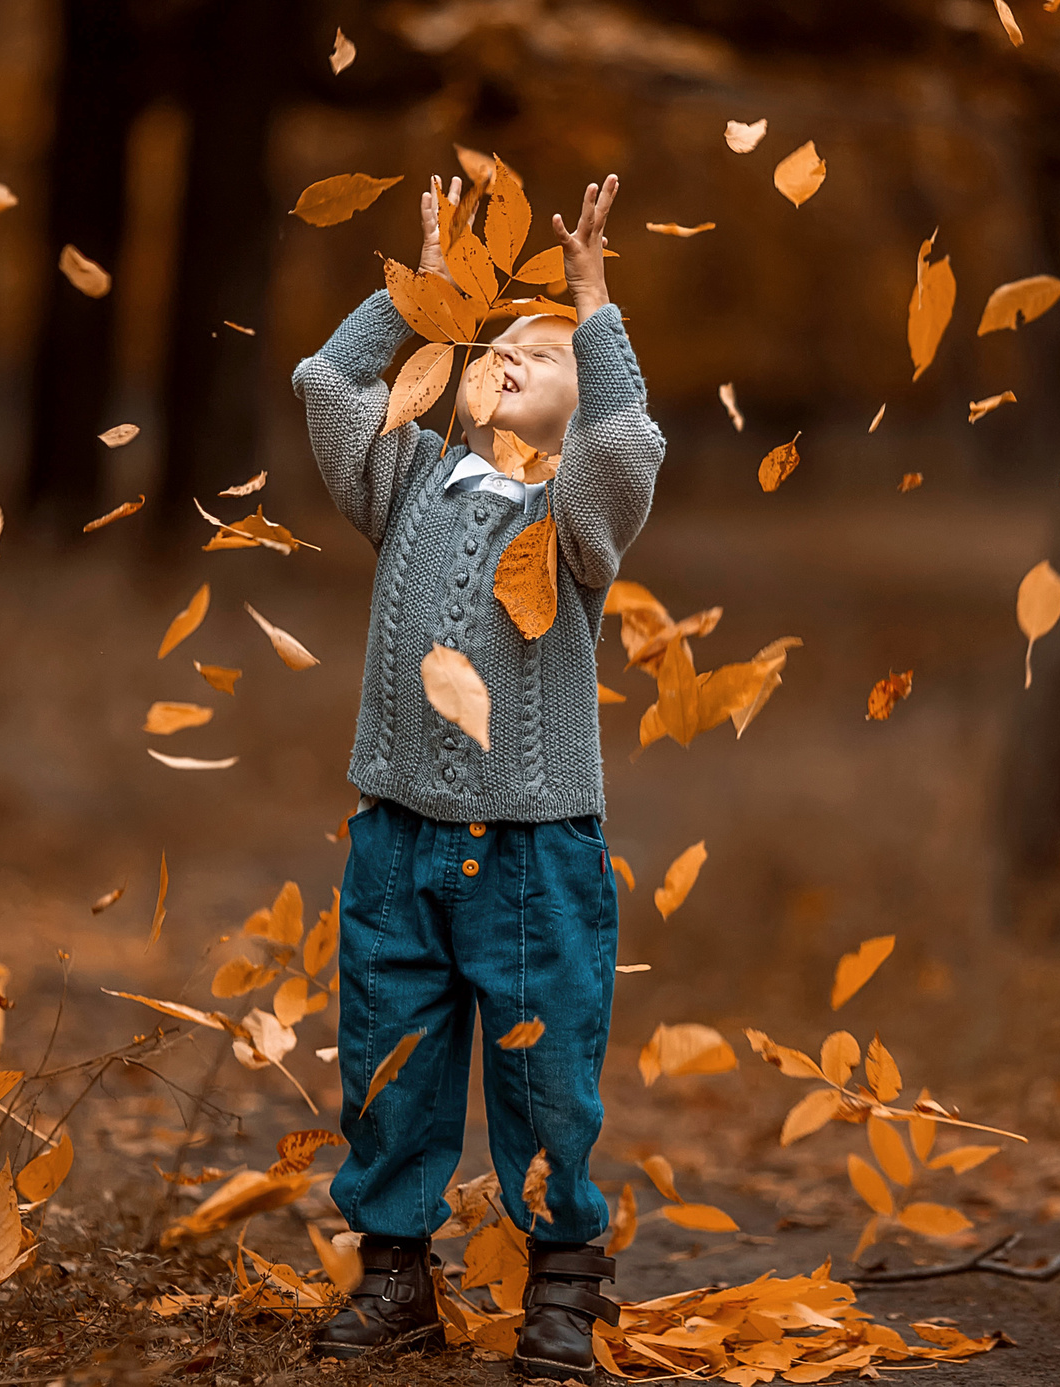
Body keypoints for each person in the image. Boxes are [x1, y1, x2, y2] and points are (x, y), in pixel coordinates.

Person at [289, 171, 664, 1380]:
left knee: (544, 1079)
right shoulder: (409, 481)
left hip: (529, 853)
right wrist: (421, 300)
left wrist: (594, 315)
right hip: (396, 839)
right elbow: (326, 384)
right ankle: (395, 1275)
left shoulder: (576, 521)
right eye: (492, 341)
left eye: (536, 354)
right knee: (387, 1065)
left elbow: (626, 444)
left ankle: (563, 1283)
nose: (507, 355)